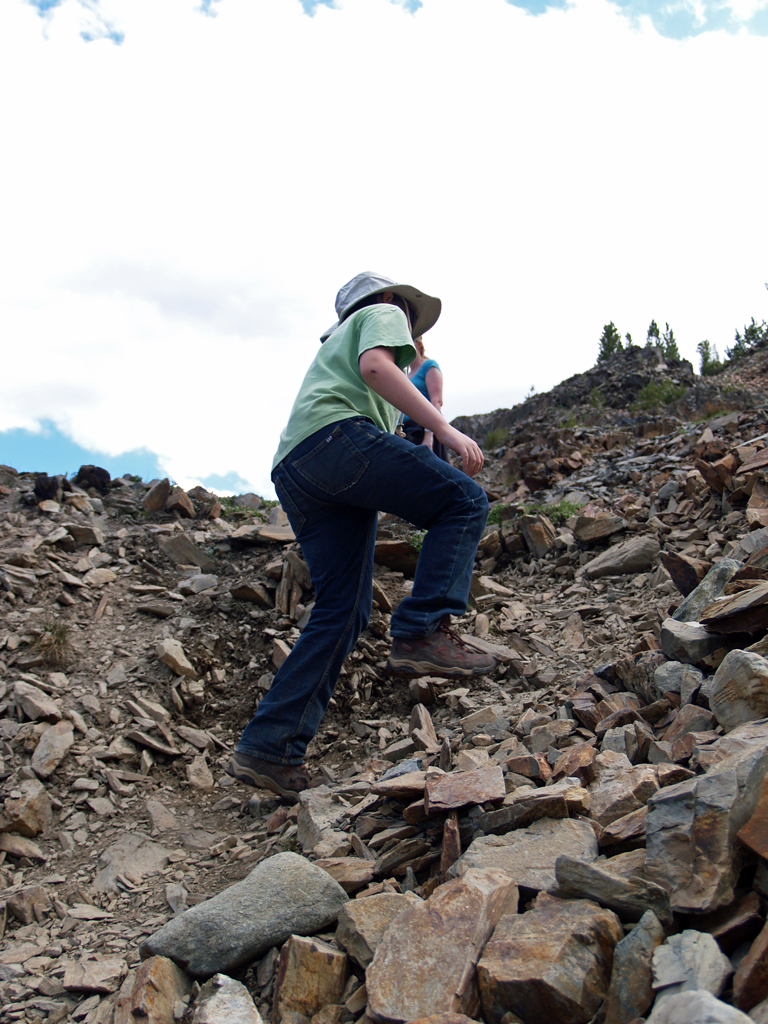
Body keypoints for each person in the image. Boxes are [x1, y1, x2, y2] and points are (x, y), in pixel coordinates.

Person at [227, 271, 494, 802]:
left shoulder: (339, 351)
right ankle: (422, 631)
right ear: (394, 304)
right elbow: (376, 366)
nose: (411, 333)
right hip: (336, 439)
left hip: (298, 467)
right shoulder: (383, 311)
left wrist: (417, 439)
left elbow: (379, 404)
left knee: (343, 611)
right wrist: (445, 429)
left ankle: (269, 749)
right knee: (465, 500)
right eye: (411, 320)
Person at [402, 336, 450, 462]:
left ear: (418, 344)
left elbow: (436, 401)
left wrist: (429, 436)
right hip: (406, 433)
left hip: (423, 429)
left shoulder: (429, 366)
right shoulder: (405, 376)